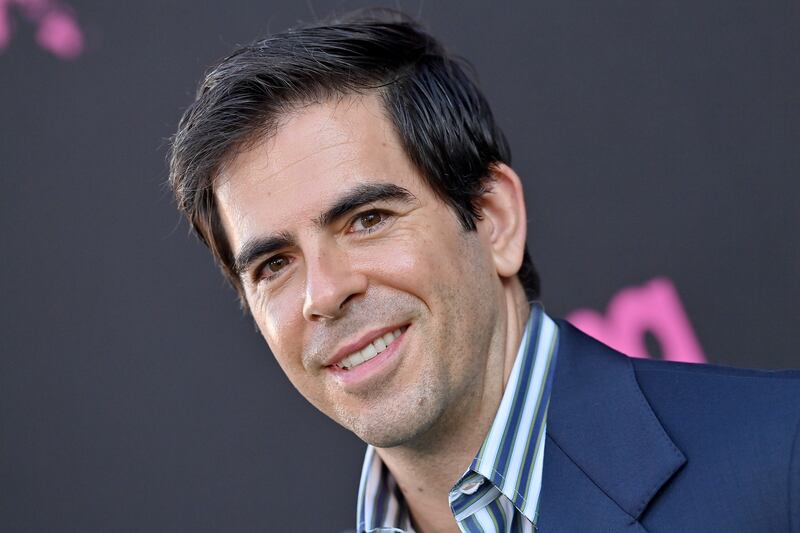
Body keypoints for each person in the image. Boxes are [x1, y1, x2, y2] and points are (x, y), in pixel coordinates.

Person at [168, 10, 800, 533]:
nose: (324, 292)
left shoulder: (783, 457)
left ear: (494, 220)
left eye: (367, 219)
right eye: (275, 264)